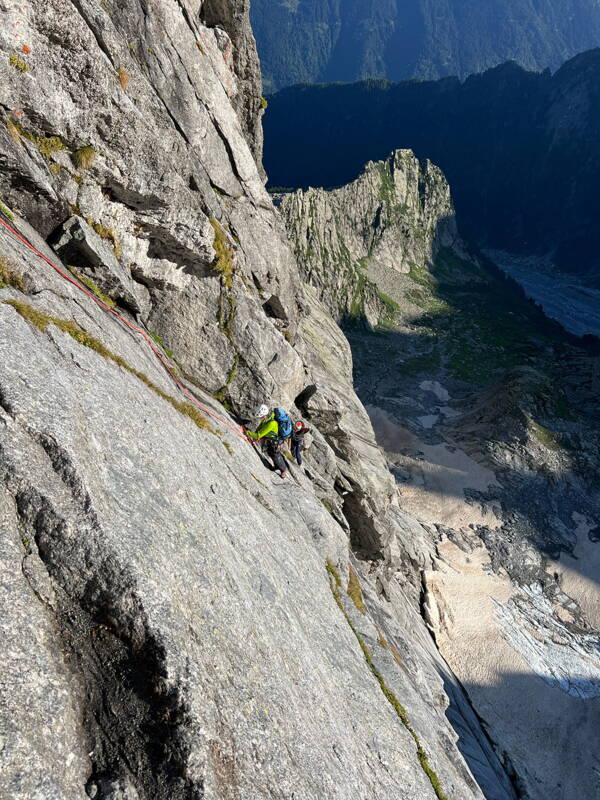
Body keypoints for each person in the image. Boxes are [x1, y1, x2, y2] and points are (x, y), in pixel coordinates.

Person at [245, 404, 289, 479]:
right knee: (270, 453)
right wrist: (254, 439)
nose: (259, 418)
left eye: (260, 417)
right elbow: (259, 430)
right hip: (271, 441)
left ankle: (284, 470)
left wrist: (248, 433)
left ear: (263, 415)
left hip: (276, 442)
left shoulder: (271, 423)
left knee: (276, 455)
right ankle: (276, 466)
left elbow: (259, 435)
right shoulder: (266, 420)